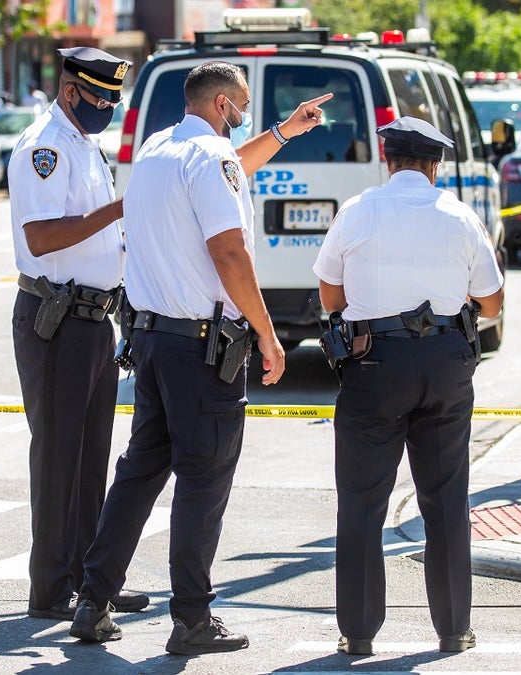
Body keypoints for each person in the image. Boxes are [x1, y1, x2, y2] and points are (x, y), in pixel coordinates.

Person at [68, 60, 332, 655]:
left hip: (154, 340)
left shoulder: (160, 149)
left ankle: (93, 598)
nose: (243, 120)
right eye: (240, 109)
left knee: (139, 472)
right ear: (221, 107)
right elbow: (230, 254)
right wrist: (267, 333)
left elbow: (232, 168)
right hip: (202, 349)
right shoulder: (209, 159)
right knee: (203, 480)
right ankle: (190, 618)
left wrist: (286, 132)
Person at [311, 117, 504, 657]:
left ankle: (359, 634)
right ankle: (452, 630)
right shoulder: (461, 216)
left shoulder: (358, 210)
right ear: (434, 165)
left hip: (374, 365)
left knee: (362, 503)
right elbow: (492, 302)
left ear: (388, 160)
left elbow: (329, 295)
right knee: (445, 501)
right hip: (445, 364)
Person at [8, 46, 148, 623]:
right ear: (70, 92)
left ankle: (94, 584)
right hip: (56, 319)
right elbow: (40, 237)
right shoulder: (44, 146)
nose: (108, 110)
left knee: (93, 461)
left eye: (114, 100)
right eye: (100, 99)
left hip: (92, 318)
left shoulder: (83, 144)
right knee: (59, 457)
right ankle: (50, 589)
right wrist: (116, 210)